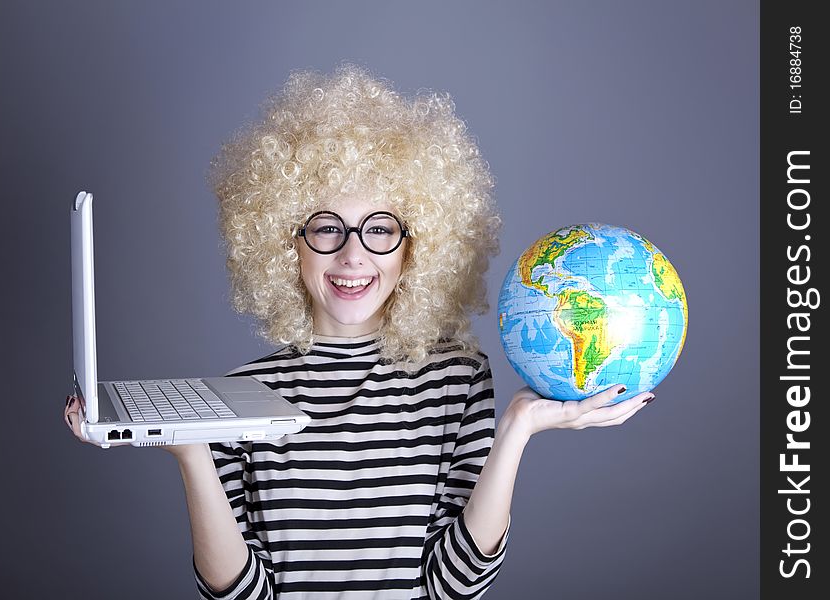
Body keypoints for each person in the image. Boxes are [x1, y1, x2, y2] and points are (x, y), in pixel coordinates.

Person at [65, 62, 654, 599]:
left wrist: (518, 429)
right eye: (326, 228)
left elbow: (456, 584)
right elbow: (240, 594)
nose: (352, 255)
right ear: (285, 242)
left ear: (414, 249)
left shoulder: (456, 379)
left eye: (380, 229)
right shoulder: (236, 398)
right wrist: (189, 446)